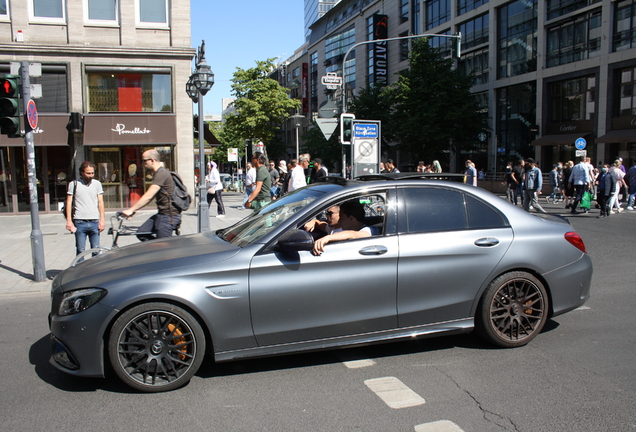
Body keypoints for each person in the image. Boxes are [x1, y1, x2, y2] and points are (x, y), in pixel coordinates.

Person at [122, 149, 181, 240]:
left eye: (144, 161)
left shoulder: (162, 173)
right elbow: (151, 196)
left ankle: (163, 252)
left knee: (164, 247)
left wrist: (131, 209)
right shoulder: (159, 173)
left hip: (168, 217)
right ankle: (156, 250)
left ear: (152, 160)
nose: (142, 164)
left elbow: (148, 196)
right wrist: (134, 210)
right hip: (162, 214)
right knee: (142, 233)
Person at [65, 161, 106, 256]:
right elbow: (69, 202)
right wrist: (69, 221)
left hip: (94, 221)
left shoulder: (97, 184)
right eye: (88, 173)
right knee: (80, 250)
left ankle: (94, 270)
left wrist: (102, 220)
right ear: (81, 172)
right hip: (80, 221)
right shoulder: (74, 184)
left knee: (96, 250)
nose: (91, 175)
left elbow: (100, 202)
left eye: (92, 173)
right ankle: (81, 269)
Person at [312, 200, 380, 256]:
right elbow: (323, 225)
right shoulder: (343, 231)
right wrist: (315, 221)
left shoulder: (369, 230)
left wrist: (328, 238)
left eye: (341, 218)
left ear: (351, 218)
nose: (339, 220)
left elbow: (353, 234)